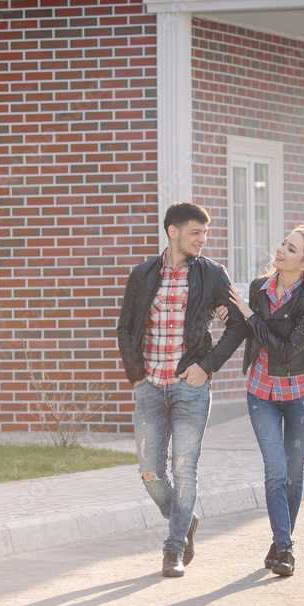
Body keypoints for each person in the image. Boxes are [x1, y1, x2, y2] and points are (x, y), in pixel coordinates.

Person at [116, 201, 245, 577]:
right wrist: (135, 376)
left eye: (205, 233)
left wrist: (206, 367)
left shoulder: (212, 275)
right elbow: (125, 329)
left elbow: (237, 325)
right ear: (173, 232)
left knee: (185, 469)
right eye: (195, 233)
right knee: (150, 471)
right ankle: (185, 520)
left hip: (190, 388)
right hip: (150, 387)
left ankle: (173, 550)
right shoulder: (142, 275)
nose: (203, 239)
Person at [225, 224, 304, 577]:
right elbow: (249, 330)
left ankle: (278, 545)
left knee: (292, 474)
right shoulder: (259, 289)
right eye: (283, 244)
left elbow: (288, 349)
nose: (281, 251)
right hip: (261, 392)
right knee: (275, 471)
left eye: (291, 249)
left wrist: (249, 315)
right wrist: (234, 316)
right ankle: (286, 549)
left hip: (300, 395)